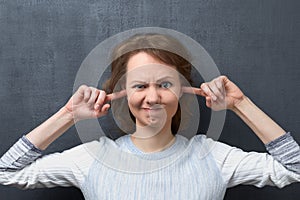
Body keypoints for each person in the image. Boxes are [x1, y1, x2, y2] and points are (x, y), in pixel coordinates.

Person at [0, 33, 299, 200]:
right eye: (140, 85)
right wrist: (68, 115)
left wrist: (240, 103)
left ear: (182, 90)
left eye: (165, 84)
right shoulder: (93, 157)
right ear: (123, 92)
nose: (153, 97)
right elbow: (6, 173)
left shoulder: (211, 156)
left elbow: (294, 169)